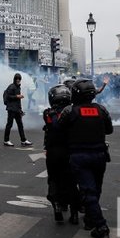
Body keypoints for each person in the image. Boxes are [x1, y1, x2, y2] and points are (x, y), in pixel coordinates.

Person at [57, 78, 113, 238]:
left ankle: (101, 225)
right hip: (100, 156)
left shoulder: (69, 111)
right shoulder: (101, 109)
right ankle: (90, 219)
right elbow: (109, 130)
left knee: (88, 191)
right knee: (95, 189)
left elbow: (59, 129)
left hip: (79, 156)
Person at [43, 83, 80, 224]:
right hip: (69, 151)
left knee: (53, 179)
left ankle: (57, 207)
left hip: (53, 152)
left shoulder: (48, 113)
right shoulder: (73, 112)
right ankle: (75, 213)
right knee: (71, 181)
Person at [3, 73, 32, 147]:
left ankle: (23, 140)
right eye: (17, 79)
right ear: (14, 79)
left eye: (19, 79)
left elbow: (18, 101)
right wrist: (17, 96)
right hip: (11, 109)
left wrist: (20, 110)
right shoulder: (11, 87)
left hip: (16, 109)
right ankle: (6, 140)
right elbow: (9, 96)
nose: (18, 80)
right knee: (9, 125)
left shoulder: (18, 87)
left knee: (20, 125)